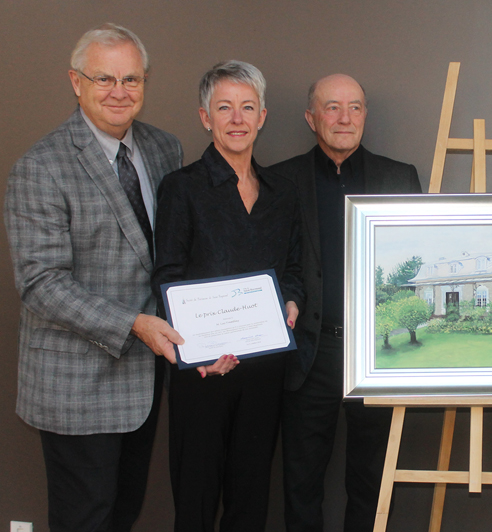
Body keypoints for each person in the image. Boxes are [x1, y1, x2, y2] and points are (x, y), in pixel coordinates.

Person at [3, 23, 184, 532]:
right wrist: (136, 324)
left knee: (123, 513)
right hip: (76, 386)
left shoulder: (164, 150)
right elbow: (41, 283)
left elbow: (172, 254)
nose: (120, 91)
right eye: (104, 78)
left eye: (131, 79)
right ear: (75, 82)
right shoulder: (40, 167)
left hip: (144, 381)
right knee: (85, 520)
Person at [151, 60, 304, 532]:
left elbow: (294, 269)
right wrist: (194, 352)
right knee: (195, 502)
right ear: (205, 117)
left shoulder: (282, 192)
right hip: (203, 373)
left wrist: (292, 301)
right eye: (224, 108)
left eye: (247, 108)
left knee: (250, 499)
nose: (236, 119)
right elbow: (168, 275)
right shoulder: (183, 188)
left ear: (262, 116)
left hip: (263, 370)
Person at [268, 73, 421, 532]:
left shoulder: (399, 177)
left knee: (372, 481)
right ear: (311, 118)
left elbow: (417, 258)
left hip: (378, 353)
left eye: (355, 107)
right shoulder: (279, 180)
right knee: (300, 482)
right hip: (310, 354)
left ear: (366, 116)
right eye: (332, 107)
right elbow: (271, 265)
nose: (344, 118)